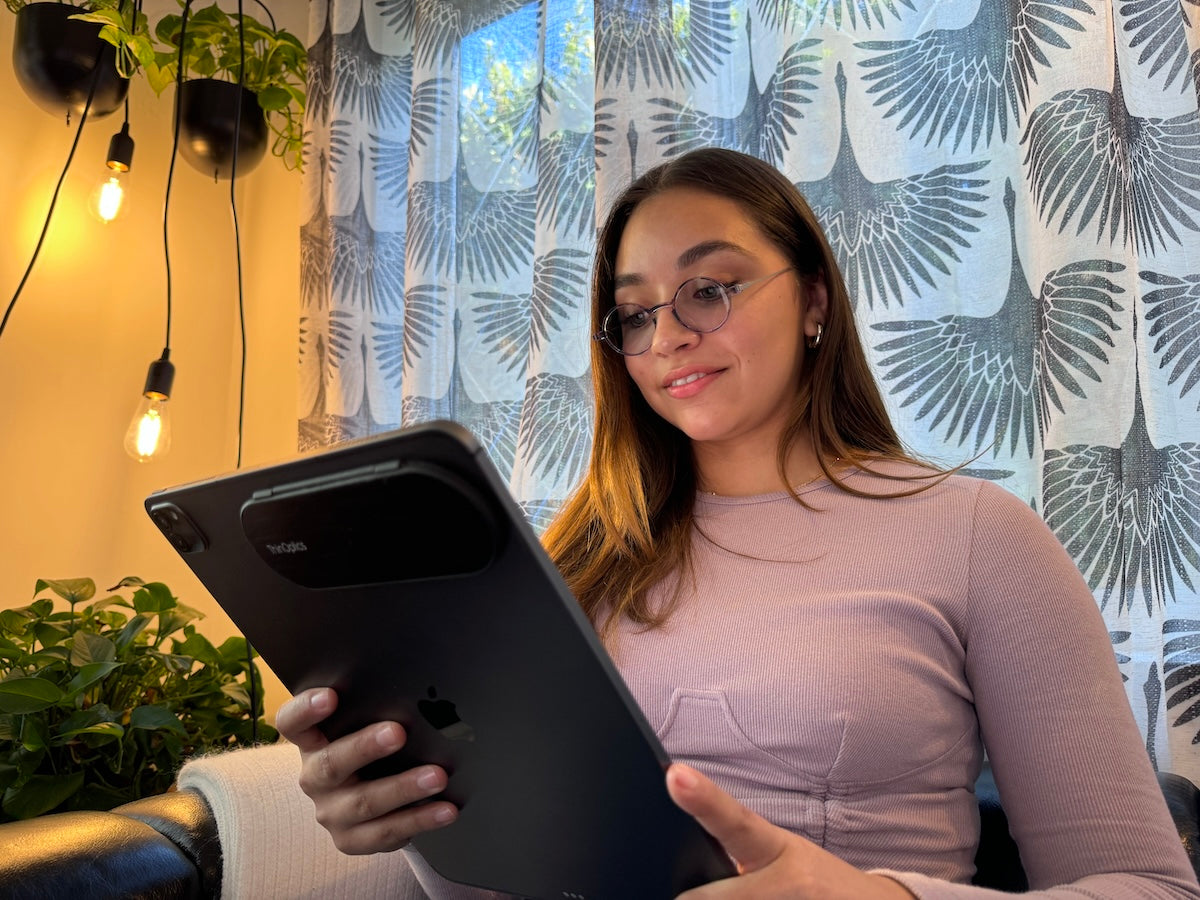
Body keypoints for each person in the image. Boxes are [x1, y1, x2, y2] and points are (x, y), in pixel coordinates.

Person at [276, 148, 1200, 898]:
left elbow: (1148, 887)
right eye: (633, 315)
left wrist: (879, 899)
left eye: (709, 289)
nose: (667, 335)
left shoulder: (975, 534)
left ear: (813, 302)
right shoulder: (575, 562)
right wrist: (418, 822)